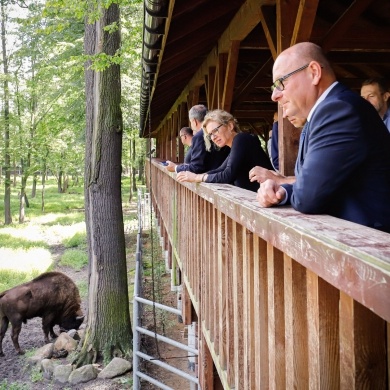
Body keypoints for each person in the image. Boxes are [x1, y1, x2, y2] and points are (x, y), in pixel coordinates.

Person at [257, 42, 390, 233]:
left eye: (280, 83)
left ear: (314, 72)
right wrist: (282, 192)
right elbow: (312, 184)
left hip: (374, 245)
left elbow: (308, 197)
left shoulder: (338, 110)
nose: (274, 96)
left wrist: (286, 187)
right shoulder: (321, 116)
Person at [176, 109, 273, 192]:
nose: (213, 137)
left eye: (215, 131)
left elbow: (227, 174)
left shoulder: (241, 139)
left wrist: (197, 178)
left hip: (270, 203)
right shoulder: (236, 144)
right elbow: (220, 169)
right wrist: (194, 176)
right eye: (210, 135)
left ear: (230, 125)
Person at [165, 105, 230, 173]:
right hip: (226, 178)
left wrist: (176, 168)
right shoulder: (220, 132)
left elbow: (196, 167)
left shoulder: (199, 136)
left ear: (194, 121)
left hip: (210, 180)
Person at [249, 115, 306, 185]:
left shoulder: (277, 126)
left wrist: (278, 179)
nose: (285, 114)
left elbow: (313, 181)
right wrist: (283, 178)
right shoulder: (307, 130)